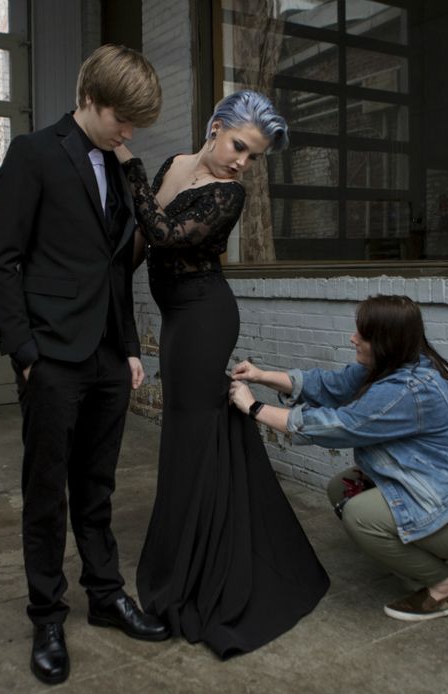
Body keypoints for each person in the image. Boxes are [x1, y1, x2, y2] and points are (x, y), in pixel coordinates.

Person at [114, 90, 330, 659]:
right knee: (200, 433)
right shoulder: (176, 166)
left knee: (189, 434)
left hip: (204, 317)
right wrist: (103, 287)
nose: (242, 163)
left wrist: (129, 167)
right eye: (239, 146)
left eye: (253, 156)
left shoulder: (228, 195)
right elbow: (140, 243)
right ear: (215, 127)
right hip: (179, 319)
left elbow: (162, 233)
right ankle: (222, 542)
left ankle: (194, 568)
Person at [0, 44, 168, 686]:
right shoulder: (33, 154)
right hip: (52, 358)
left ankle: (106, 594)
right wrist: (24, 354)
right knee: (45, 492)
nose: (131, 132)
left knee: (98, 485)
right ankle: (47, 615)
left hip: (108, 358)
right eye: (124, 118)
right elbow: (0, 259)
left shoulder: (117, 165)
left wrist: (131, 348)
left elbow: (115, 266)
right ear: (90, 99)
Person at [228, 294, 448, 622]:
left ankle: (445, 589)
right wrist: (261, 374)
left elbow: (337, 426)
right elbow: (327, 385)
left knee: (360, 515)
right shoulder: (388, 369)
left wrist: (254, 408)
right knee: (343, 488)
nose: (353, 338)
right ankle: (426, 559)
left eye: (362, 335)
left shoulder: (406, 390)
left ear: (385, 342)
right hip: (445, 491)